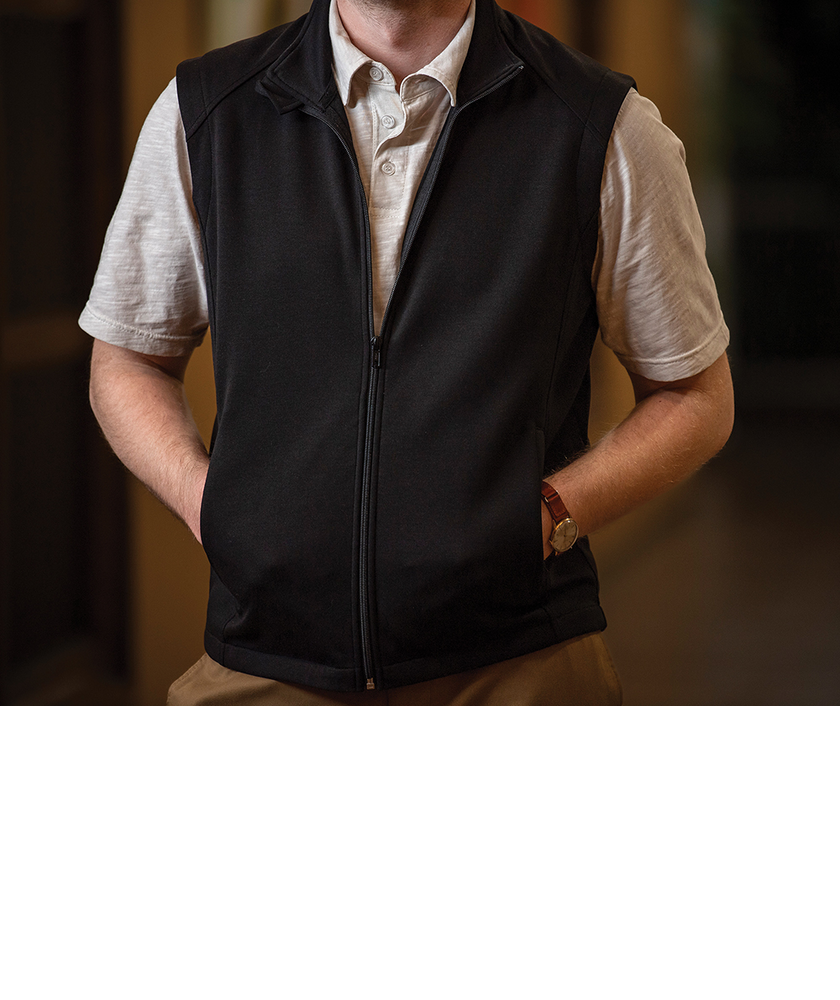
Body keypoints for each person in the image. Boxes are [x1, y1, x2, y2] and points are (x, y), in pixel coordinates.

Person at [83, 0, 734, 706]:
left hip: (519, 663)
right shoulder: (205, 111)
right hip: (262, 661)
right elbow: (127, 359)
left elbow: (695, 395)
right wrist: (210, 506)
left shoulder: (601, 125)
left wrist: (550, 514)